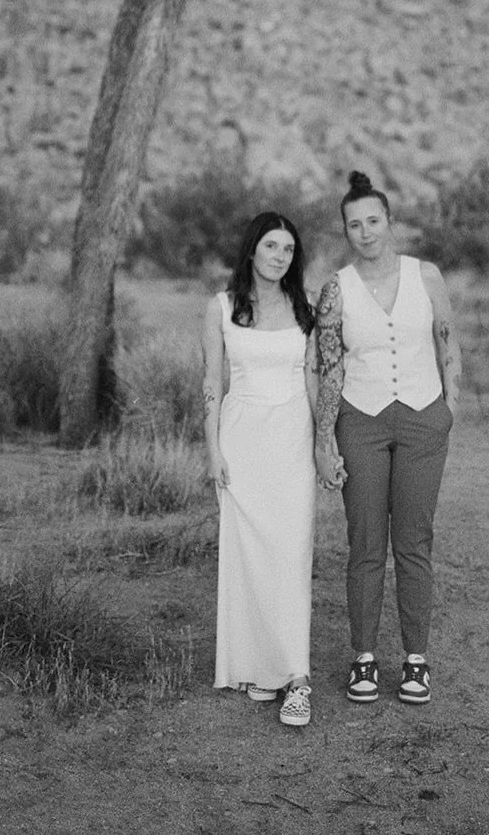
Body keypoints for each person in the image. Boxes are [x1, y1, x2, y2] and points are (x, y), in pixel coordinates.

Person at [314, 170, 462, 706]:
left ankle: (416, 661)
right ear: (346, 231)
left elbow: (447, 341)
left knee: (415, 541)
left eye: (373, 220)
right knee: (366, 542)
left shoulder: (427, 276)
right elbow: (330, 366)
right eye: (355, 224)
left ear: (390, 222)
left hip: (424, 417)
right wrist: (325, 439)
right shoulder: (337, 288)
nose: (365, 232)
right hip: (362, 420)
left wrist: (449, 408)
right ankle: (364, 660)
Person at [201, 211, 318, 728]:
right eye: (271, 246)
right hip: (242, 437)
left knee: (291, 553)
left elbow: (314, 381)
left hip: (292, 435)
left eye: (288, 249)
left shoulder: (303, 309)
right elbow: (211, 381)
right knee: (249, 554)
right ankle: (259, 667)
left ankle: (297, 679)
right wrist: (212, 450)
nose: (279, 256)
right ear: (252, 249)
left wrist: (323, 446)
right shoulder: (221, 307)